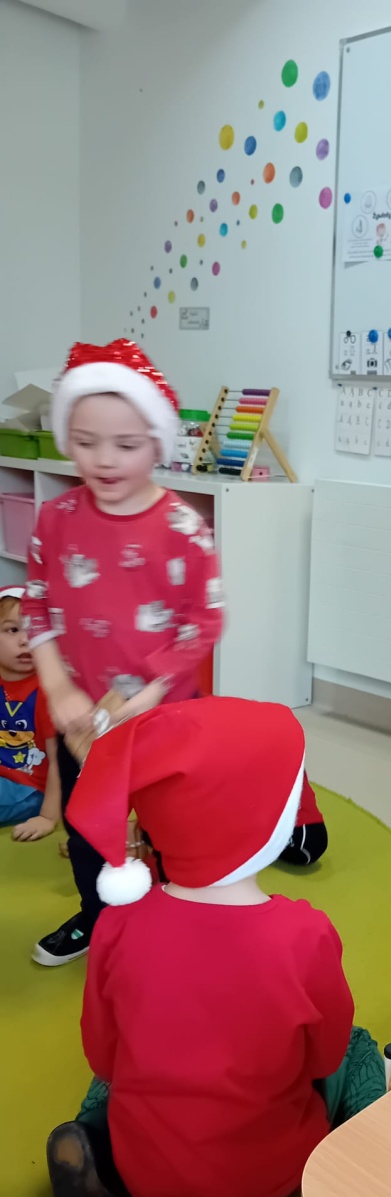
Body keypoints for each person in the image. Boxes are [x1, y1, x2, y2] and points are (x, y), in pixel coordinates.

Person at [44, 698, 359, 1197]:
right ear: (273, 824)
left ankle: (92, 1155)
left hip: (146, 1175)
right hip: (273, 1175)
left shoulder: (117, 926)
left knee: (111, 1082)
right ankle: (368, 1146)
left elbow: (103, 1057)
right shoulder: (306, 934)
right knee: (359, 1050)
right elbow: (324, 1058)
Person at [21, 339, 224, 966]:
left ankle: (179, 913)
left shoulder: (184, 529)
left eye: (127, 445)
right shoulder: (55, 518)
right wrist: (58, 687)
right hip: (83, 719)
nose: (104, 460)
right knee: (87, 822)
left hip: (164, 716)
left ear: (157, 443)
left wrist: (151, 689)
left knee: (171, 824)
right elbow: (35, 605)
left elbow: (204, 620)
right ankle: (97, 916)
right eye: (86, 442)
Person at [0, 586, 60, 839]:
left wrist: (48, 817)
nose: (26, 640)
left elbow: (59, 762)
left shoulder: (48, 690)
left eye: (34, 629)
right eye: (13, 630)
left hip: (30, 789)